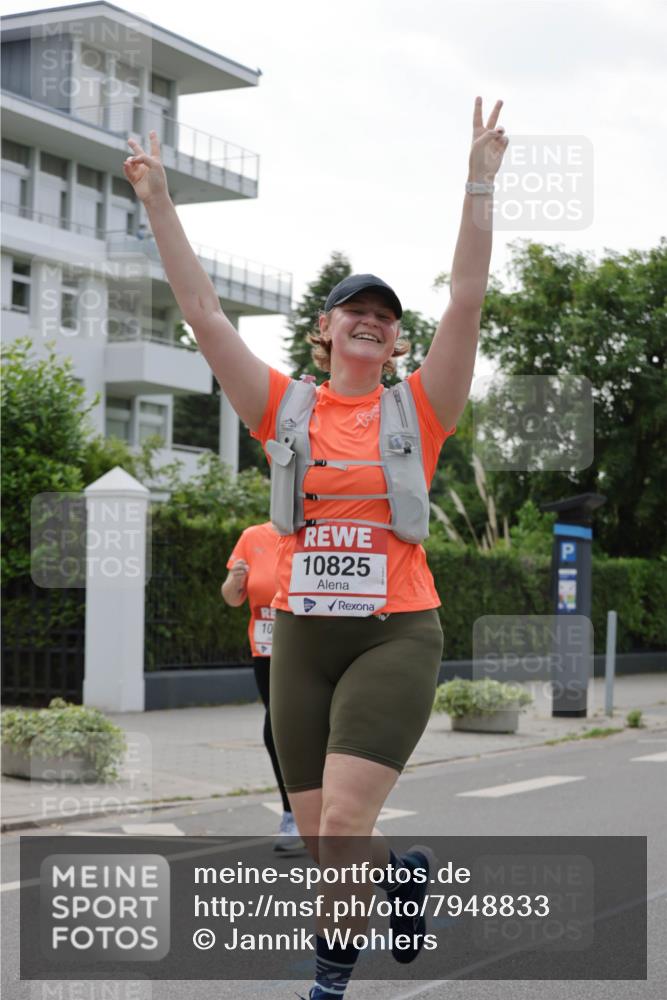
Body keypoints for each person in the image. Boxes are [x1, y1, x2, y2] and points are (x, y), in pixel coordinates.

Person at [123, 94, 508, 999]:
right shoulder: (282, 406)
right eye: (353, 311)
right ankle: (404, 875)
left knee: (338, 817)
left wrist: (477, 183)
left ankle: (329, 980)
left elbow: (468, 296)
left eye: (384, 314)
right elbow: (204, 313)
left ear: (396, 338)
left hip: (394, 630)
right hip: (299, 633)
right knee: (331, 830)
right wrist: (158, 203)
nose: (369, 320)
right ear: (323, 331)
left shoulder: (421, 406)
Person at [221, 520, 305, 855]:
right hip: (266, 651)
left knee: (308, 728)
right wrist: (235, 580)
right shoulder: (252, 537)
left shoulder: (312, 531)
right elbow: (231, 598)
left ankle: (323, 809)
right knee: (275, 730)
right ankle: (292, 814)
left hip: (306, 648)